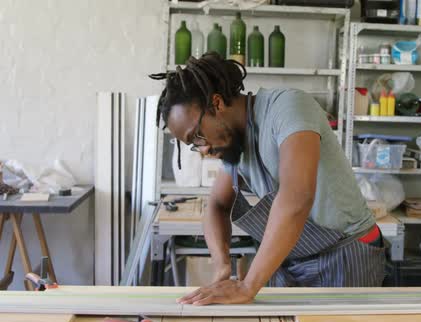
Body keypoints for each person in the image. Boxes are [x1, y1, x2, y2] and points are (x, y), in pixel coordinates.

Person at [149, 53, 386, 306]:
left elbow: (296, 198)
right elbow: (217, 205)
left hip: (346, 253)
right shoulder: (236, 146)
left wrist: (248, 286)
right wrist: (222, 265)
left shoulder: (288, 107)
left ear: (216, 103)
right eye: (193, 145)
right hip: (291, 258)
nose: (204, 150)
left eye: (197, 136)